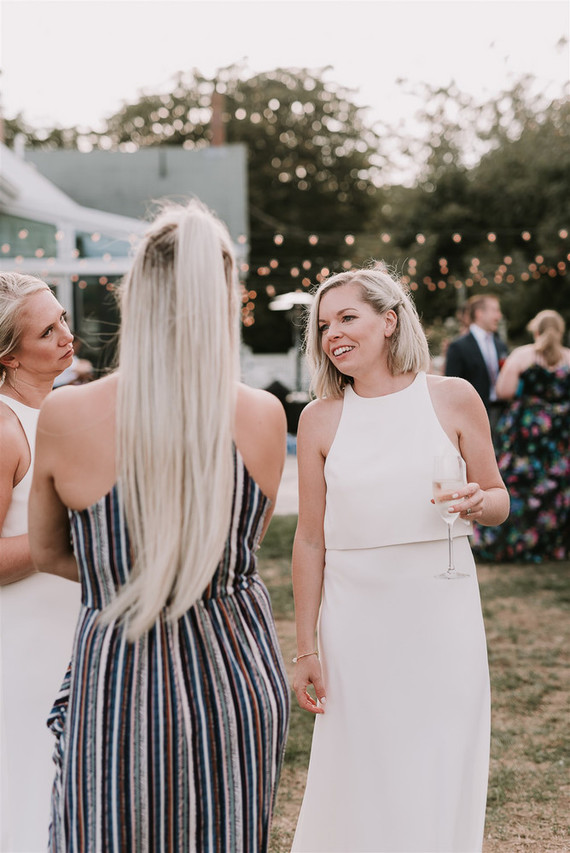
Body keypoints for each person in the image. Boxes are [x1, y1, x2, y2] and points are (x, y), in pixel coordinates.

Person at [28, 200, 290, 852]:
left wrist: (126, 576)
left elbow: (48, 552)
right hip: (235, 675)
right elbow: (237, 552)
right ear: (225, 295)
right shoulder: (262, 415)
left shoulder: (65, 413)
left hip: (122, 676)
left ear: (134, 292)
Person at [291, 265, 509, 853]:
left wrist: (477, 502)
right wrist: (305, 645)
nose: (332, 333)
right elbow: (310, 540)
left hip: (441, 604)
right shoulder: (318, 418)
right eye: (323, 324)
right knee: (361, 762)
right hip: (354, 616)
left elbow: (498, 499)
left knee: (438, 754)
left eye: (347, 317)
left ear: (389, 321)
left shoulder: (452, 398)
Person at [0, 273, 81, 852]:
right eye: (47, 330)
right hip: (23, 647)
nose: (66, 336)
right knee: (30, 788)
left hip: (81, 635)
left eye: (64, 320)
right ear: (8, 354)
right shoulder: (6, 430)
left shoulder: (72, 413)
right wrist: (76, 531)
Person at [473, 309, 570, 562]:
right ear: (560, 331)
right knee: (556, 485)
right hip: (560, 432)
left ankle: (516, 545)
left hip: (529, 430)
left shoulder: (523, 355)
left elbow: (503, 391)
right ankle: (553, 547)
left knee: (519, 484)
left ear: (535, 330)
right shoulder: (568, 358)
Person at [445, 294, 509, 434]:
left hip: (501, 413)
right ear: (479, 313)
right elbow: (451, 388)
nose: (499, 316)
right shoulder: (458, 346)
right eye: (495, 310)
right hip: (472, 416)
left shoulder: (501, 345)